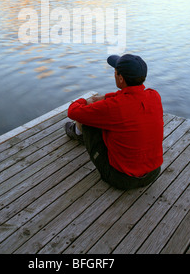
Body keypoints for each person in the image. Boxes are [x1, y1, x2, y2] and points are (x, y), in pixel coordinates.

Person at [65, 53, 163, 190]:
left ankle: (76, 132)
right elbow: (130, 95)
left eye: (115, 72)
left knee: (88, 119)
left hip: (122, 179)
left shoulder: (114, 107)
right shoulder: (154, 95)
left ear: (121, 78)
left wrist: (84, 101)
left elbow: (73, 112)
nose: (114, 74)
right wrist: (105, 97)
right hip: (153, 172)